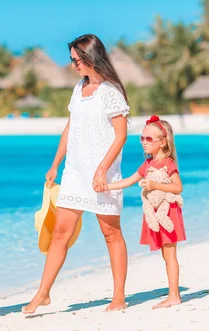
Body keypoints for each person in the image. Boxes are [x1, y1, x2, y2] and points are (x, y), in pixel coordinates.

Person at [23, 34, 130, 314]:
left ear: (90, 57)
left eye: (75, 60)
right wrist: (55, 164)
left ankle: (118, 297)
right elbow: (70, 129)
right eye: (71, 60)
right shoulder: (78, 89)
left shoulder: (111, 92)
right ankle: (43, 293)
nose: (72, 65)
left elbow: (121, 136)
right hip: (75, 173)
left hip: (102, 175)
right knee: (60, 232)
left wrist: (102, 169)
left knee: (111, 234)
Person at [106, 115, 186, 308]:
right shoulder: (148, 164)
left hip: (168, 212)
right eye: (142, 138)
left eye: (149, 139)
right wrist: (106, 187)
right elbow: (128, 180)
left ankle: (174, 295)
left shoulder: (168, 164)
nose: (143, 142)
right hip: (154, 212)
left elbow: (178, 187)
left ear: (163, 142)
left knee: (170, 255)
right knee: (165, 255)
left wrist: (155, 184)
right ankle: (173, 293)